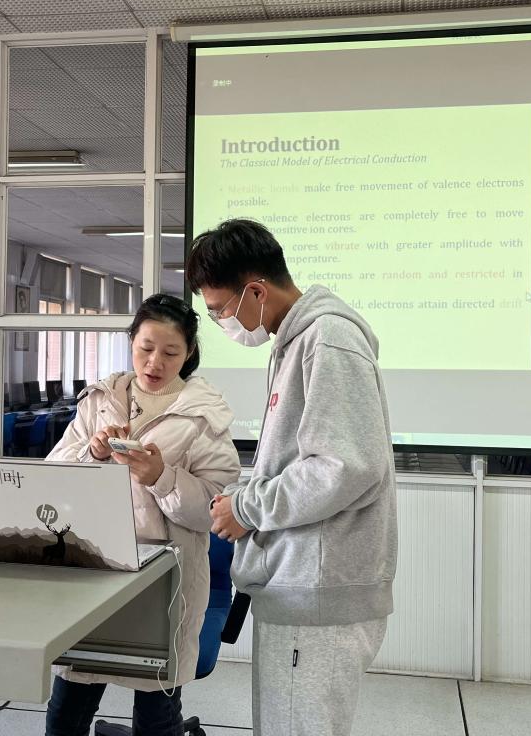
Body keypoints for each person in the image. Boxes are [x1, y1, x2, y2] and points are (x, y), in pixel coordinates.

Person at [186, 219, 397, 736]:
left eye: (220, 310)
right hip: (297, 585)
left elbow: (345, 466)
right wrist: (242, 497)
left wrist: (246, 508)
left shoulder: (328, 338)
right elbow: (299, 462)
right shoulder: (295, 342)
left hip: (317, 593)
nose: (220, 322)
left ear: (256, 292)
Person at [44, 293, 241, 736]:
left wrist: (161, 477)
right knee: (68, 707)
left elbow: (215, 507)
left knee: (156, 714)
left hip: (166, 584)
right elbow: (53, 478)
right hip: (95, 572)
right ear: (131, 341)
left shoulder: (203, 415)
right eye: (146, 348)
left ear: (188, 353)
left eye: (170, 352)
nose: (155, 362)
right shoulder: (100, 400)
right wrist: (92, 453)